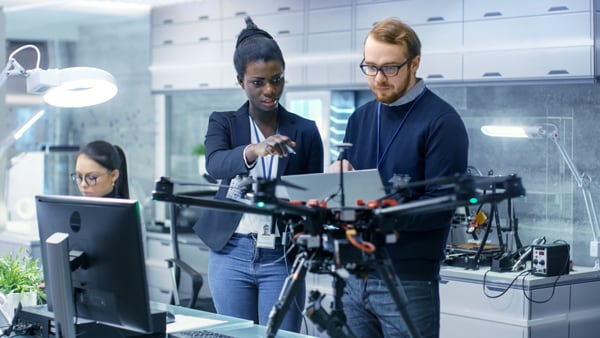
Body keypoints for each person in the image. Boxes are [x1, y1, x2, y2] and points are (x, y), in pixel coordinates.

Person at [327, 18, 469, 338]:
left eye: (390, 68)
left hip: (408, 280)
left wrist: (378, 211)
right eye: (370, 67)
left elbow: (441, 206)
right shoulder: (359, 117)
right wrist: (337, 177)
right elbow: (346, 187)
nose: (378, 78)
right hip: (354, 275)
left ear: (414, 63)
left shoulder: (442, 122)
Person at [193, 17, 324, 332]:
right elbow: (215, 164)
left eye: (277, 79)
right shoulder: (223, 122)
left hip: (282, 254)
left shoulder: (305, 131)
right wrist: (254, 150)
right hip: (231, 253)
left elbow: (311, 196)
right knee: (234, 334)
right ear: (241, 81)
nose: (270, 90)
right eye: (258, 82)